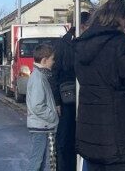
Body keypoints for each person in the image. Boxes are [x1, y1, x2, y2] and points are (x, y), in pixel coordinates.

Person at [75, 0, 125, 171]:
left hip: (90, 130)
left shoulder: (81, 44)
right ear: (120, 18)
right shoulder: (117, 43)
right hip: (116, 132)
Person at [51, 12, 90, 171]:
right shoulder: (63, 44)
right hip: (67, 98)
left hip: (84, 98)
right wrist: (57, 101)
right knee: (65, 138)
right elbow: (55, 73)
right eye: (88, 26)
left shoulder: (86, 42)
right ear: (82, 26)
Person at [26, 43, 59, 171]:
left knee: (40, 161)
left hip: (41, 125)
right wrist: (52, 115)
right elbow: (37, 105)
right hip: (41, 125)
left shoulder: (39, 76)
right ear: (44, 60)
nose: (54, 62)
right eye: (52, 59)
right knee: (37, 161)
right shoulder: (38, 78)